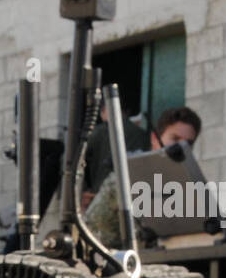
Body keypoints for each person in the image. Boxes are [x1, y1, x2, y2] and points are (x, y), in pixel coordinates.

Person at [84, 106, 202, 249]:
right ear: (154, 139)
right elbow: (91, 230)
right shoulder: (126, 177)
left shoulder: (188, 185)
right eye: (175, 139)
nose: (182, 147)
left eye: (188, 143)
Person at [81, 103, 151, 210]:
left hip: (99, 198)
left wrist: (83, 191)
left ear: (104, 111)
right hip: (131, 199)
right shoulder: (142, 135)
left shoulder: (99, 132)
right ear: (126, 112)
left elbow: (76, 160)